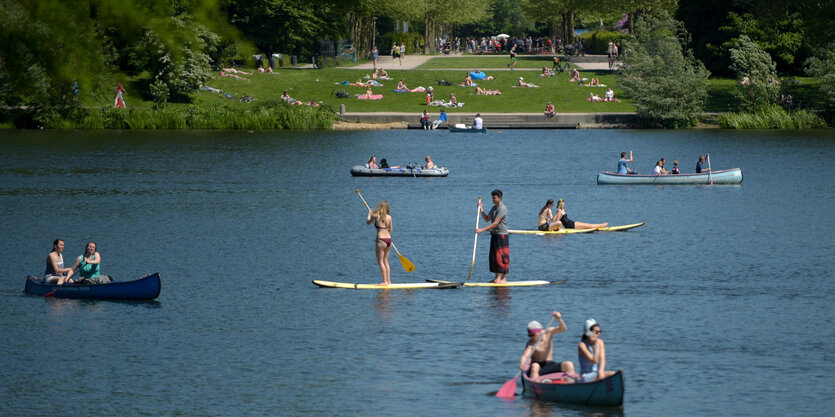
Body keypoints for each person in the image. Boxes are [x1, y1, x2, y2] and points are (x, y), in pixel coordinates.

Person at [520, 311, 577, 381]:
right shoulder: (530, 344)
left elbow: (563, 329)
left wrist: (559, 319)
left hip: (549, 364)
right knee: (535, 366)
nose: (531, 337)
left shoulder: (548, 333)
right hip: (537, 367)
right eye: (529, 335)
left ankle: (571, 386)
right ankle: (536, 387)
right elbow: (525, 356)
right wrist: (522, 363)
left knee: (569, 364)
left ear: (540, 332)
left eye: (533, 335)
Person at [475, 189, 509, 284]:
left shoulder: (502, 208)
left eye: (494, 198)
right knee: (494, 257)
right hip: (494, 235)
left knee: (503, 257)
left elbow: (495, 223)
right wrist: (481, 210)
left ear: (500, 198)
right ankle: (497, 278)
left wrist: (481, 230)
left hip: (502, 236)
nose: (493, 199)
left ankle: (504, 279)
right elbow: (487, 219)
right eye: (492, 198)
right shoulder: (494, 208)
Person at [578, 318, 616, 382]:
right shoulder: (582, 345)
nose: (599, 334)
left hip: (597, 374)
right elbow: (594, 361)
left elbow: (602, 359)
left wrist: (601, 371)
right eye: (596, 332)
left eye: (600, 332)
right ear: (589, 332)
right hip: (586, 376)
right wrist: (595, 345)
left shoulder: (600, 342)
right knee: (602, 376)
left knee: (613, 374)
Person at [367, 201, 393, 285]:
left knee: (380, 261)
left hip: (381, 240)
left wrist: (369, 214)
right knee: (386, 261)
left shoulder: (376, 216)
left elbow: (368, 222)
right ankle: (388, 281)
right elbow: (391, 230)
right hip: (389, 240)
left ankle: (384, 281)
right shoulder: (389, 217)